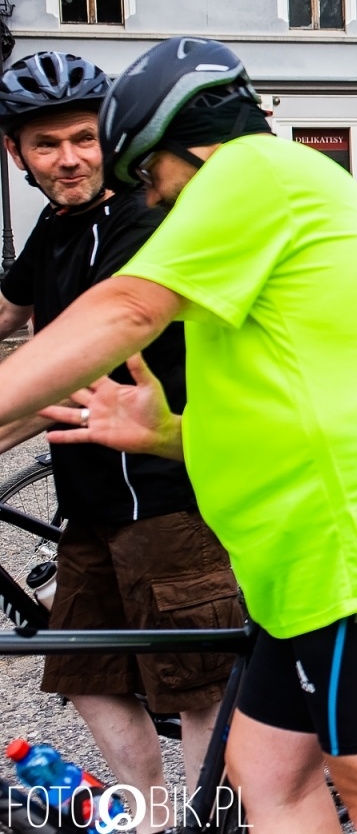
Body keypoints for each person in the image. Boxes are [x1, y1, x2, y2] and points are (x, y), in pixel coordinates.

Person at [0, 37, 357, 834]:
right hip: (301, 562)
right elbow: (290, 398)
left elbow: (125, 309)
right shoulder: (264, 212)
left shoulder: (255, 173)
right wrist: (167, 435)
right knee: (264, 775)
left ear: (185, 137)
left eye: (149, 178)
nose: (148, 202)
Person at [0, 51, 240, 833]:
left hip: (169, 503)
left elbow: (78, 369)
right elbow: (8, 312)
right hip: (92, 507)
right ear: (18, 154)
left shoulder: (142, 220)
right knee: (87, 672)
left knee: (197, 684)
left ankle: (211, 821)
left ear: (107, 136)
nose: (68, 158)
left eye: (81, 138)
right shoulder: (55, 223)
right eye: (46, 145)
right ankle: (153, 817)